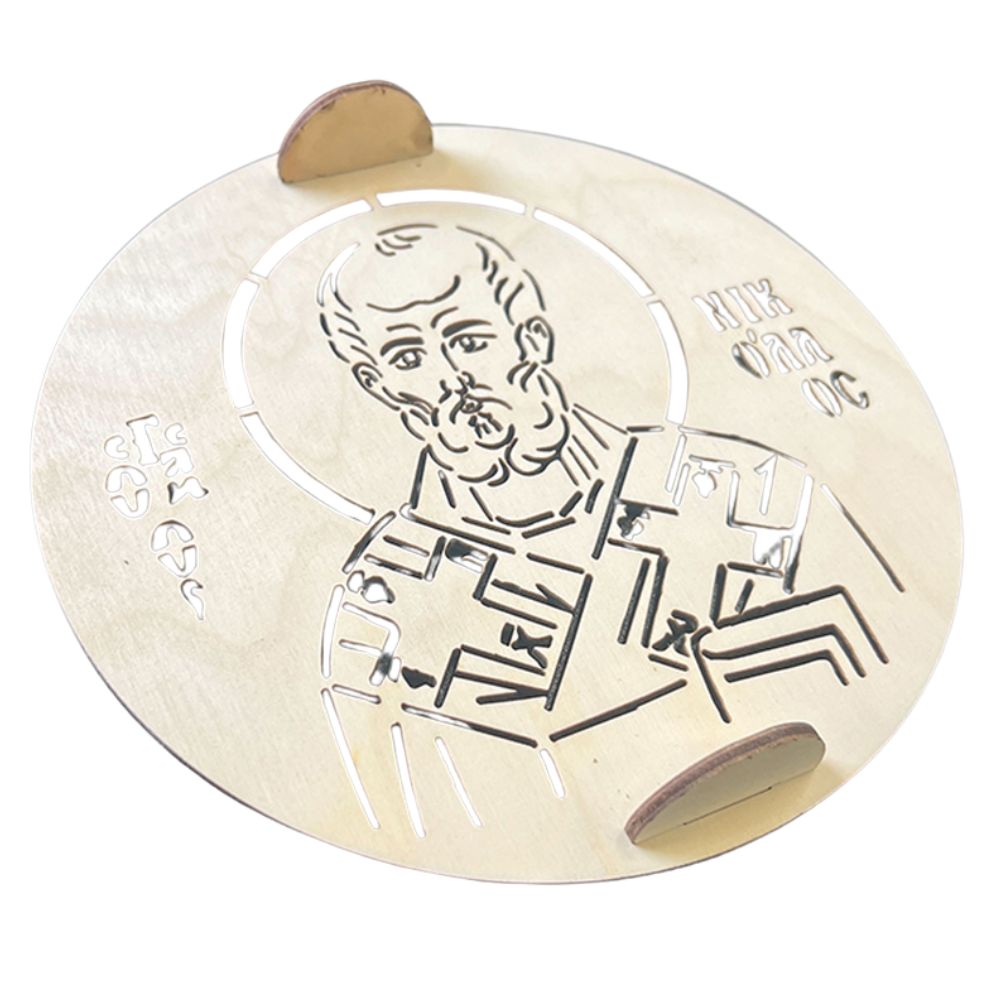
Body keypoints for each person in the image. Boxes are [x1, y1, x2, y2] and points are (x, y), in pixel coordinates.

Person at [314, 221, 894, 833]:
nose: (454, 379)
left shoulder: (738, 487)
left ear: (531, 337)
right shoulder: (384, 606)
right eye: (409, 358)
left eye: (469, 339)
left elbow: (873, 640)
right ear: (379, 385)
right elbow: (425, 809)